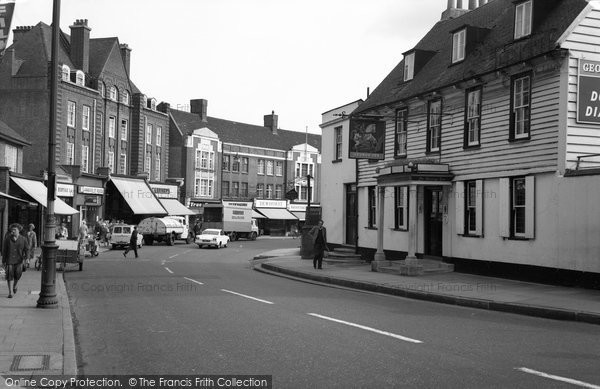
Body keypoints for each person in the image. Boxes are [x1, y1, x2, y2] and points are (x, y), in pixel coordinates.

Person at [2, 224, 28, 298]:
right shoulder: (7, 238)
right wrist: (3, 260)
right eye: (12, 230)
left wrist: (27, 258)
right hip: (9, 260)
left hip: (19, 260)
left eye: (15, 230)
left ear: (18, 231)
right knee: (9, 276)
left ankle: (15, 285)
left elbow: (27, 249)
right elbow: (4, 250)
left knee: (18, 274)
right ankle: (10, 292)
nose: (13, 231)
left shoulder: (23, 239)